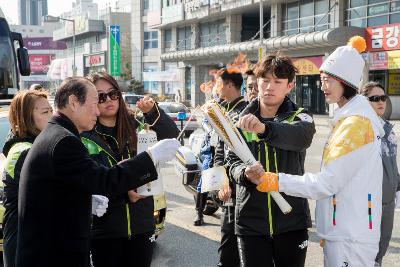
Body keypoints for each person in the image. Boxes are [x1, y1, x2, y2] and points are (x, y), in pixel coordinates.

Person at [244, 37, 384, 266]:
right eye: (321, 79)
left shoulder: (356, 125)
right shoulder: (348, 120)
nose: (322, 86)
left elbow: (325, 184)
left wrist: (275, 180)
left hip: (351, 235)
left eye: (327, 80)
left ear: (345, 82)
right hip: (345, 231)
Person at [15, 77, 180, 267]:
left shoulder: (58, 134)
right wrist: (151, 157)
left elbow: (73, 187)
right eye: (96, 102)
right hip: (54, 254)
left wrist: (88, 200)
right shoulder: (64, 140)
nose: (97, 109)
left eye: (112, 95)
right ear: (74, 102)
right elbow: (103, 180)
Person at [228, 53, 315, 267]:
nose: (270, 86)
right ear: (257, 82)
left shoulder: (301, 116)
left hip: (291, 220)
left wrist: (264, 129)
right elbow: (231, 162)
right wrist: (244, 174)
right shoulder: (238, 120)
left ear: (290, 86)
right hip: (250, 222)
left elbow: (300, 138)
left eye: (278, 81)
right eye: (265, 80)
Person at [84, 72, 179, 267]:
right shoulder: (85, 135)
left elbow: (171, 136)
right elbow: (94, 181)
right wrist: (124, 192)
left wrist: (152, 111)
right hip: (105, 230)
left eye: (113, 94)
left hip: (142, 224)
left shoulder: (136, 125)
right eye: (101, 97)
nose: (108, 100)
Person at [2, 90, 52, 267]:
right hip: (24, 239)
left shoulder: (33, 145)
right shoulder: (25, 151)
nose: (52, 116)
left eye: (51, 110)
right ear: (26, 118)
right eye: (45, 112)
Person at [360, 82, 400, 267]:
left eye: (383, 97)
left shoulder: (389, 130)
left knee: (381, 250)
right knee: (367, 252)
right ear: (364, 101)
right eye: (374, 99)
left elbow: (393, 165)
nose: (380, 102)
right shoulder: (360, 129)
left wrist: (397, 188)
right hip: (368, 202)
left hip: (388, 202)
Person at [213, 69, 247, 267]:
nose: (216, 88)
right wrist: (219, 180)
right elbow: (220, 150)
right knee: (227, 240)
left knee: (237, 243)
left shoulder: (244, 111)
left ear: (229, 85)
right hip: (227, 187)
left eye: (219, 84)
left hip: (240, 187)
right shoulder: (223, 110)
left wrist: (231, 181)